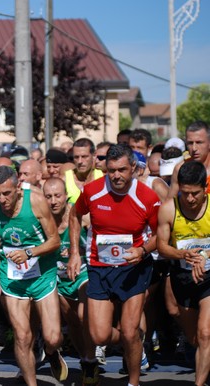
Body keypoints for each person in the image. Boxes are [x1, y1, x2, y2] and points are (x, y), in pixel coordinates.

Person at [68, 143, 160, 386]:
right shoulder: (93, 191)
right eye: (111, 170)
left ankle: (133, 381)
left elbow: (161, 234)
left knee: (130, 331)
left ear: (133, 168)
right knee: (99, 335)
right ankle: (134, 343)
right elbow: (74, 215)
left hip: (134, 268)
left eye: (122, 170)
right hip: (100, 266)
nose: (116, 176)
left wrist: (142, 250)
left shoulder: (147, 197)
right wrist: (74, 254)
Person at [0, 166, 66, 386]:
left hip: (42, 275)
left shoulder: (36, 202)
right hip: (12, 277)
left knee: (53, 337)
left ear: (18, 187)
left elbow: (54, 241)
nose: (2, 199)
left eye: (6, 193)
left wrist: (29, 252)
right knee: (22, 336)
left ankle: (51, 351)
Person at [157, 161, 210, 386]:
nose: (189, 199)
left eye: (195, 194)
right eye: (185, 193)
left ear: (205, 188)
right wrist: (183, 255)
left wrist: (205, 256)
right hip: (182, 277)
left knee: (206, 333)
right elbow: (161, 246)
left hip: (209, 277)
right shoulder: (169, 208)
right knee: (195, 338)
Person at [42, 178, 97, 384]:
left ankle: (91, 361)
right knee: (72, 322)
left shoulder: (80, 215)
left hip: (83, 274)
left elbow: (99, 236)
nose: (54, 201)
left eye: (58, 196)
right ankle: (85, 361)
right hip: (57, 278)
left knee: (84, 316)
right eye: (48, 196)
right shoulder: (41, 219)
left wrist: (81, 251)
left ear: (66, 195)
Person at [64, 138, 104, 204]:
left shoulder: (103, 178)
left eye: (84, 157)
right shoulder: (65, 180)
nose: (80, 161)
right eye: (76, 157)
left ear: (94, 156)